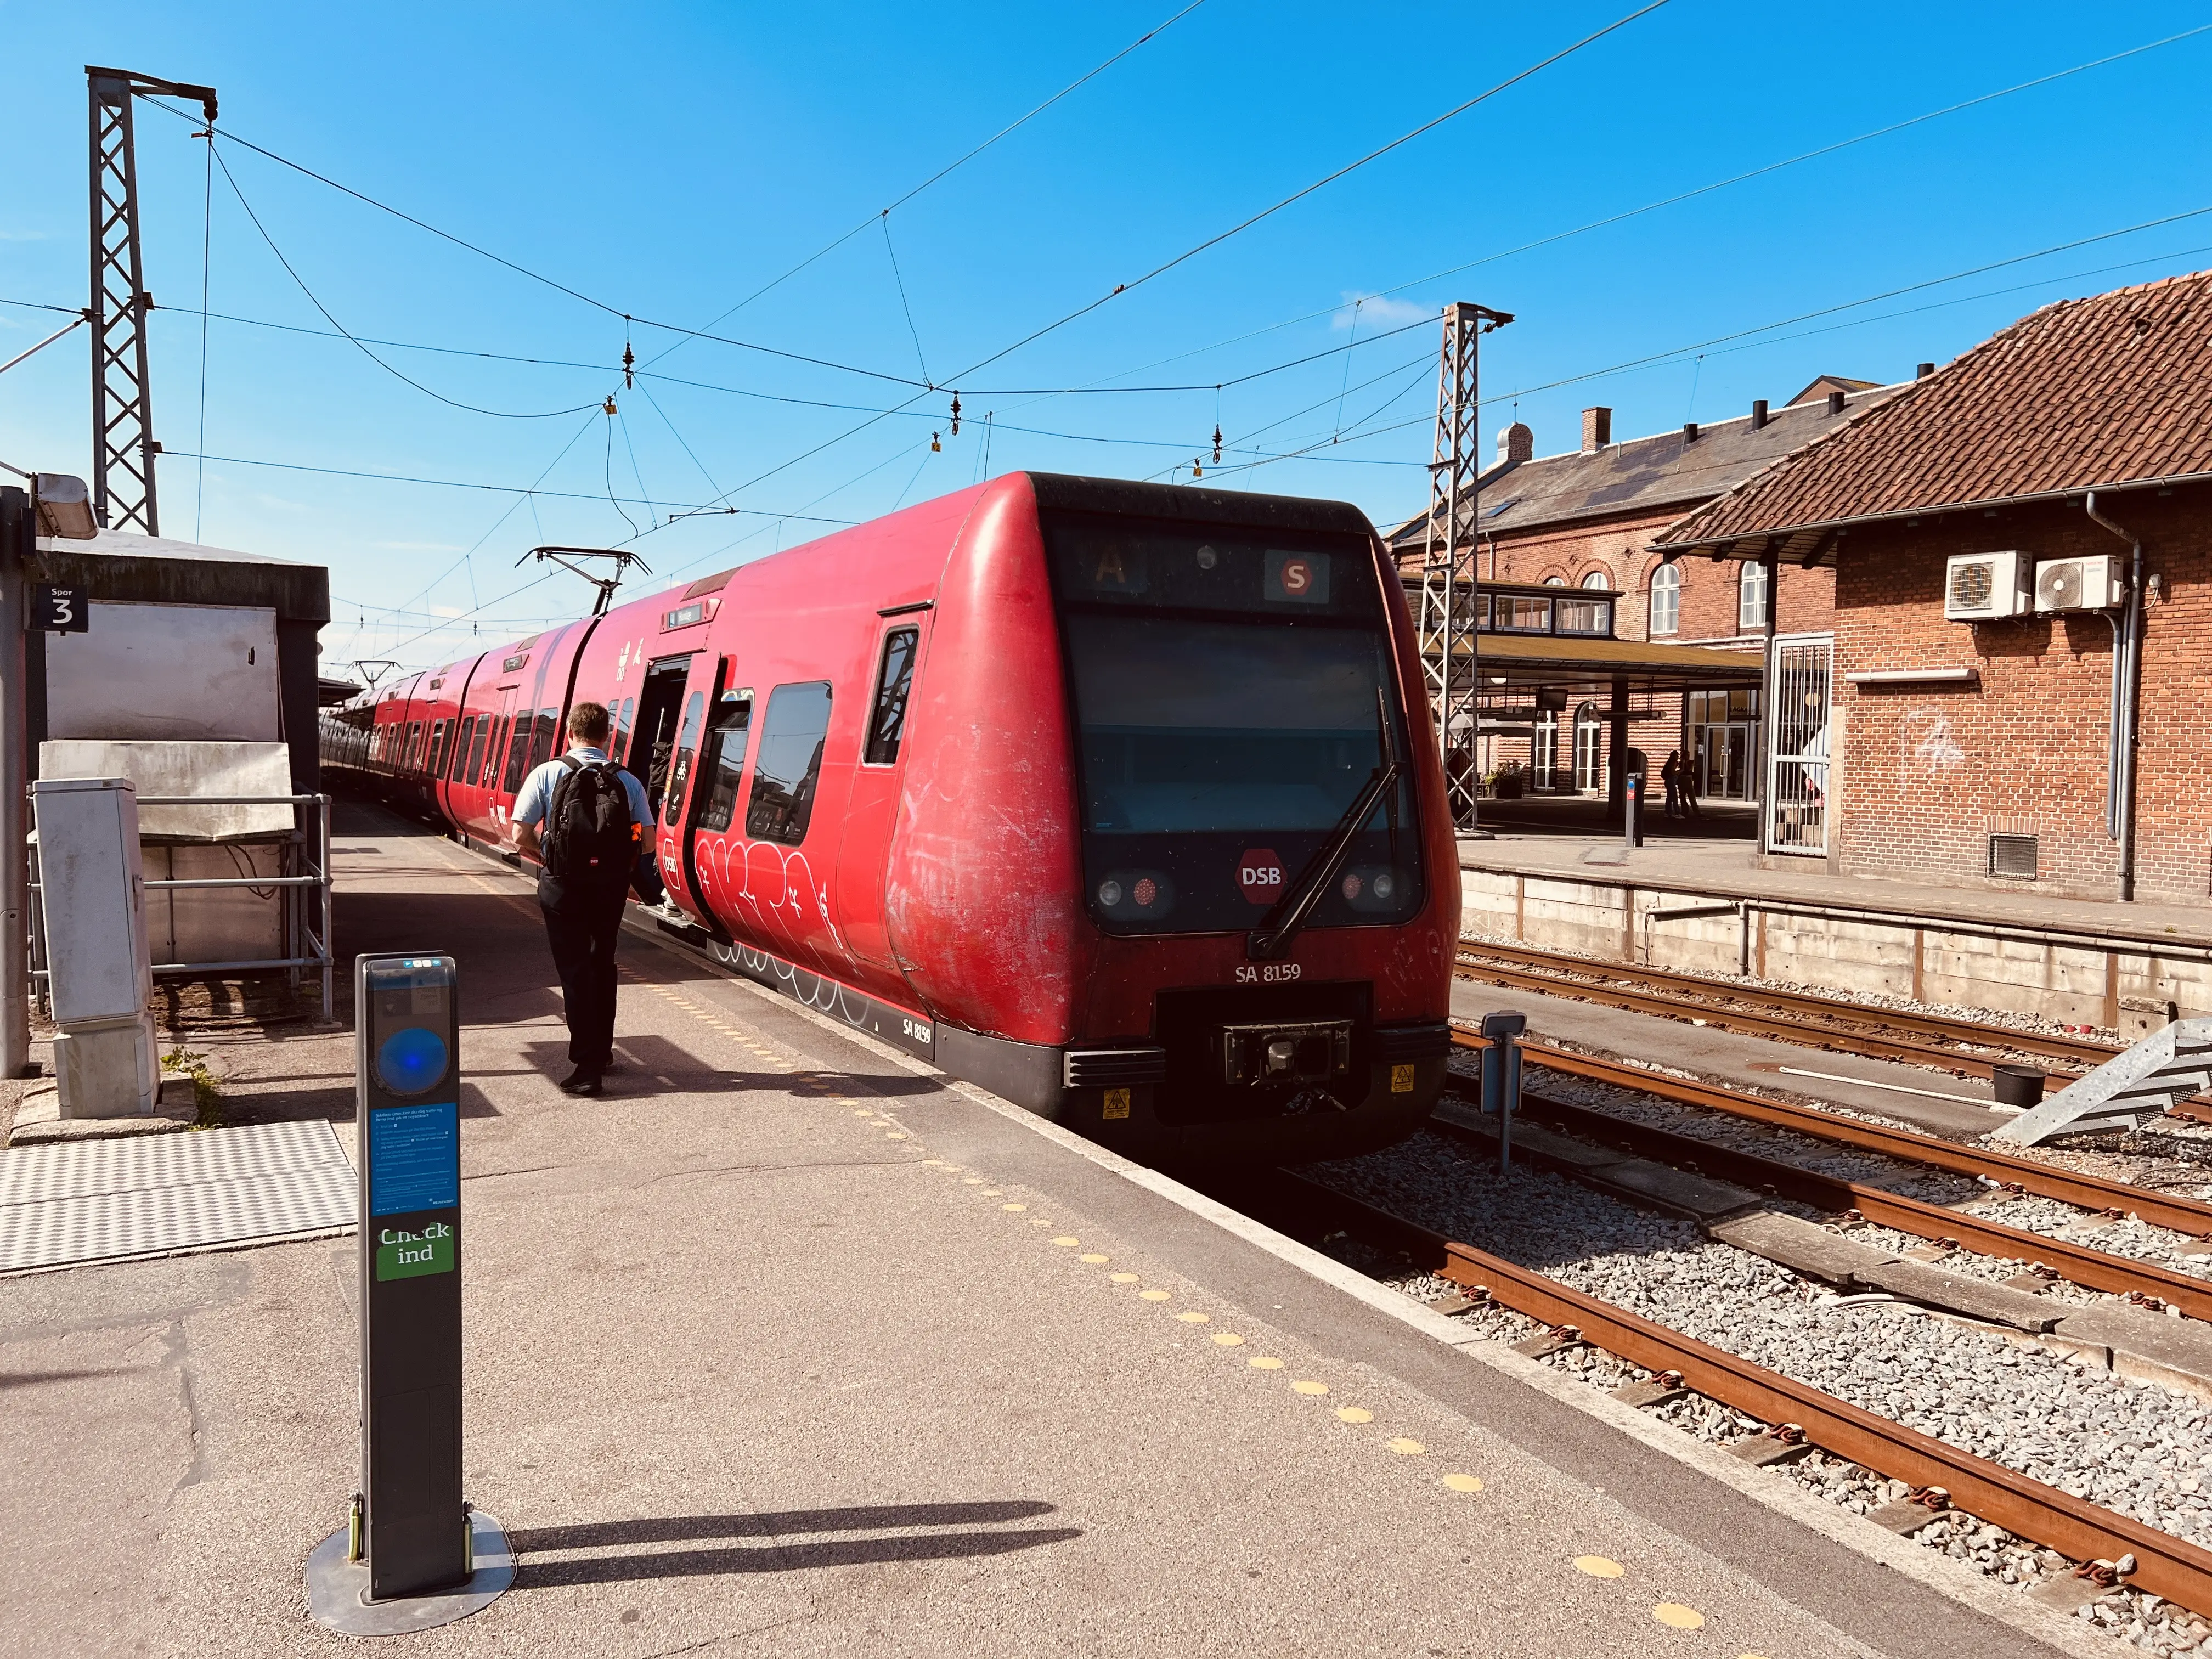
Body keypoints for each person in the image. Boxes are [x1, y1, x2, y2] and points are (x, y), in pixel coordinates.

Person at [512, 702, 652, 1097]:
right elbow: (648, 842)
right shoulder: (628, 781)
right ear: (607, 736)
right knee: (602, 966)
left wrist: (550, 859)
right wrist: (614, 869)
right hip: (609, 890)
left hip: (562, 888)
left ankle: (587, 1067)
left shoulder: (548, 772)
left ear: (569, 732)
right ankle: (602, 1051)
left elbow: (519, 833)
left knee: (575, 972)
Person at [1661, 749, 1684, 819]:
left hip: (1668, 781)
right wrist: (1681, 770)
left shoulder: (1669, 763)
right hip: (1671, 781)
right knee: (1674, 797)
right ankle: (1677, 812)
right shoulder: (1673, 763)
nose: (1678, 756)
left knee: (1669, 798)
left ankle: (1668, 812)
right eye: (1677, 755)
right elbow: (1673, 773)